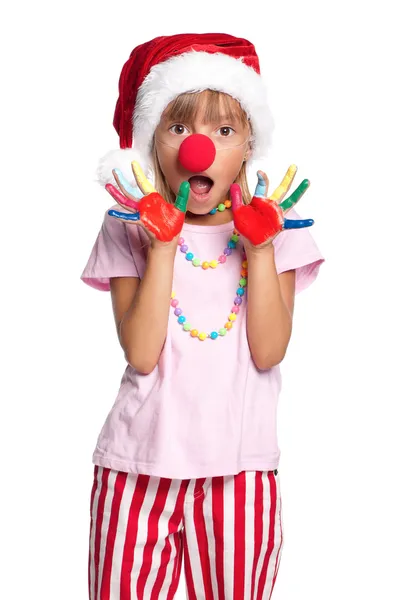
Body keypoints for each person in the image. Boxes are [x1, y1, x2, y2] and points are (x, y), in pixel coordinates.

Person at [80, 33, 325, 600]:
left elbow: (269, 350)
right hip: (135, 471)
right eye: (178, 127)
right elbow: (141, 352)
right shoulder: (126, 227)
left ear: (247, 144)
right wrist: (162, 246)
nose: (200, 148)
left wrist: (260, 249)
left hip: (241, 474)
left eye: (223, 130)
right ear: (153, 143)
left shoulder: (279, 227)